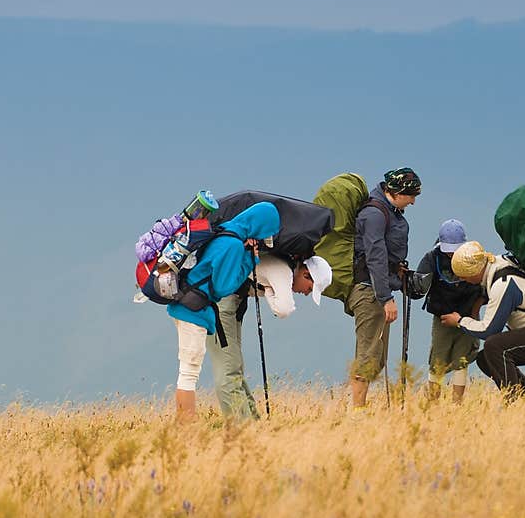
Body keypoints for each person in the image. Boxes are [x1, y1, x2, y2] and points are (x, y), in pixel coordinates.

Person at [166, 202, 281, 422]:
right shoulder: (233, 245)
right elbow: (223, 287)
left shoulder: (226, 230)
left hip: (187, 305)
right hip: (194, 310)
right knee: (188, 375)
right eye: (267, 232)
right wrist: (250, 259)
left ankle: (186, 427)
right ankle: (185, 429)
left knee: (188, 372)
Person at [207, 252, 332, 420]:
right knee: (228, 372)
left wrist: (267, 289)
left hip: (231, 302)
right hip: (220, 303)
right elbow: (283, 309)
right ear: (306, 274)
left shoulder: (284, 266)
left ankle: (252, 424)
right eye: (310, 288)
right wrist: (268, 291)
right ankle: (242, 432)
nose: (307, 293)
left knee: (235, 367)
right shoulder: (284, 272)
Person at [444, 240, 525, 399]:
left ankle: (513, 402)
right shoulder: (498, 262)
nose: (464, 280)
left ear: (473, 272)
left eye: (463, 277)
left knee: (494, 346)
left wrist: (459, 321)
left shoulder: (502, 285)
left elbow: (489, 330)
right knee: (485, 359)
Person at [347, 167, 421, 408]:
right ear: (398, 192)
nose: (412, 201)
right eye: (411, 196)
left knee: (376, 359)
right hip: (370, 292)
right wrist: (385, 298)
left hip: (378, 290)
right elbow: (375, 257)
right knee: (368, 355)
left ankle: (360, 407)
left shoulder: (390, 212)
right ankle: (357, 411)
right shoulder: (375, 214)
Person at [414, 219, 484, 404]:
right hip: (443, 317)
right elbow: (418, 286)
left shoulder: (474, 256)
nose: (452, 252)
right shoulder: (432, 258)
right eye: (449, 249)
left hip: (468, 316)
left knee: (461, 361)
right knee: (437, 361)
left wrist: (475, 313)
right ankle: (432, 404)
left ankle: (457, 405)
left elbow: (483, 288)